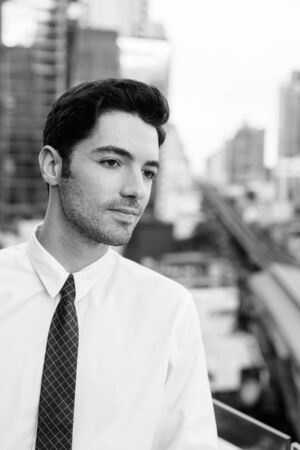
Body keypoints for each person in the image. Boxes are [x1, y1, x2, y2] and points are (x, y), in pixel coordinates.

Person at [0, 78, 219, 449]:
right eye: (112, 162)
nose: (136, 189)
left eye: (148, 172)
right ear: (53, 165)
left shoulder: (168, 309)